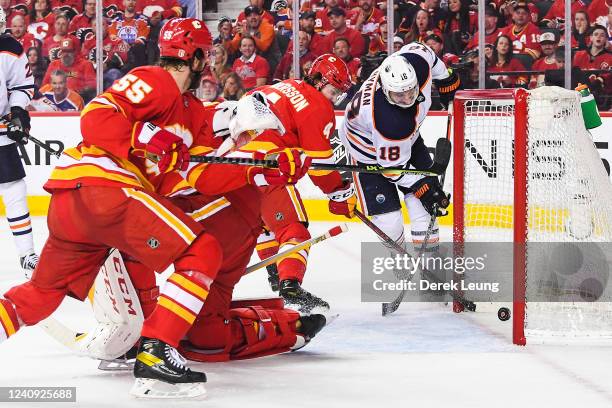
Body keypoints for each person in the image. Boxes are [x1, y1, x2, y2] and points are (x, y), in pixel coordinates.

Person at [0, 17, 310, 399]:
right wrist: (144, 134)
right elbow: (95, 117)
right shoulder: (155, 79)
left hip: (75, 207)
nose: (209, 64)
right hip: (106, 188)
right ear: (195, 58)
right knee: (202, 249)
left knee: (40, 295)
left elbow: (200, 178)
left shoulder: (191, 114)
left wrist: (263, 173)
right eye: (206, 55)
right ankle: (157, 353)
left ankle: (145, 345)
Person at [232, 54, 355, 313]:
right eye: (334, 91)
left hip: (233, 166)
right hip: (268, 166)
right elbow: (320, 167)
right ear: (320, 81)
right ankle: (290, 288)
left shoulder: (286, 85)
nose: (334, 98)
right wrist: (339, 192)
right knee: (293, 230)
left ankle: (276, 275)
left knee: (266, 225)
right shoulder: (318, 106)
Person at [339, 43, 458, 300]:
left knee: (427, 204)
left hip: (407, 140)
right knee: (390, 220)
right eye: (399, 96)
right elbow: (391, 171)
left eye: (411, 92)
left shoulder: (416, 62)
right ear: (385, 90)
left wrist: (445, 78)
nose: (407, 100)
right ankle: (399, 255)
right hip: (367, 151)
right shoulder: (389, 121)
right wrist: (419, 184)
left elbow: (427, 53)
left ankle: (431, 264)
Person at [0, 8, 38, 276]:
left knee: (14, 190)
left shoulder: (9, 47)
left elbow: (22, 86)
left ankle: (27, 255)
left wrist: (17, 112)